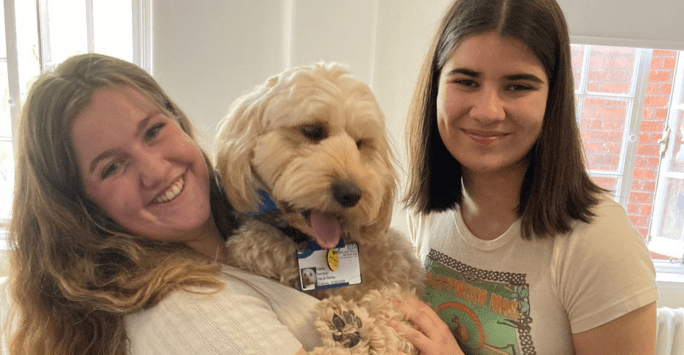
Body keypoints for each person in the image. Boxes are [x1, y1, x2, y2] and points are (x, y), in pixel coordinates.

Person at [3, 53, 321, 355]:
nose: (155, 171)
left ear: (177, 119)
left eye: (154, 131)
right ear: (83, 209)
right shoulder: (196, 309)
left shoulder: (259, 226)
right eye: (112, 167)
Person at [392, 0, 659, 354]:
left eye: (518, 86)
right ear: (436, 87)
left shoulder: (601, 244)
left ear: (553, 98)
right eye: (467, 81)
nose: (487, 111)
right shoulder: (427, 214)